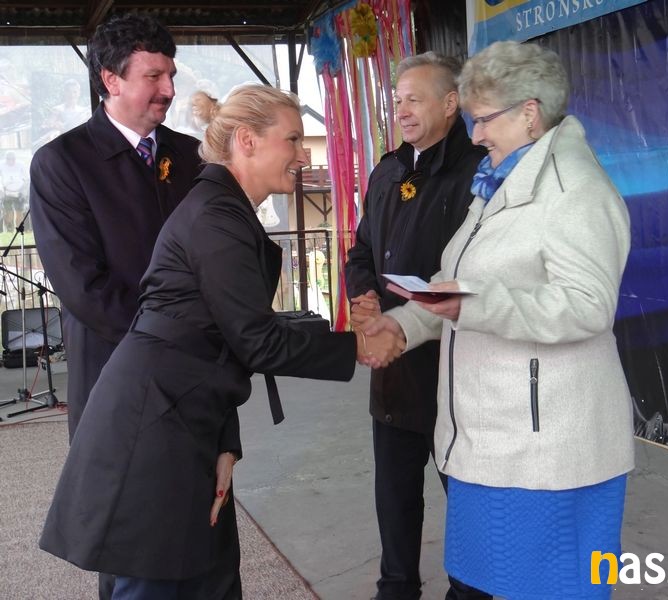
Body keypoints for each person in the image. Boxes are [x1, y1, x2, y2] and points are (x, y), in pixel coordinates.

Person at [39, 84, 403, 600]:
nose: (303, 155)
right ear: (247, 140)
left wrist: (225, 440)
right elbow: (255, 340)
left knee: (208, 578)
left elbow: (227, 336)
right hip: (155, 428)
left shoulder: (224, 210)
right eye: (293, 139)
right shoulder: (215, 215)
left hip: (186, 417)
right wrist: (358, 346)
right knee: (161, 582)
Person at [367, 41, 635, 599]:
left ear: (529, 112)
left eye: (485, 119)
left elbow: (587, 305)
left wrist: (473, 306)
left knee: (552, 588)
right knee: (487, 583)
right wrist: (405, 324)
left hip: (546, 452)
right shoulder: (500, 182)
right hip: (491, 443)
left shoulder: (574, 190)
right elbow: (457, 284)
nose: (476, 135)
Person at [345, 52, 490, 600]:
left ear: (451, 104)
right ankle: (396, 588)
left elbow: (479, 270)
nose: (402, 110)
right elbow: (361, 249)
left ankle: (470, 592)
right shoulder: (388, 170)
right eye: (398, 99)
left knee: (468, 497)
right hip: (392, 359)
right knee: (395, 493)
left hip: (458, 364)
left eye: (415, 99)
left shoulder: (479, 173)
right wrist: (363, 297)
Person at [29, 13, 203, 443]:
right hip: (114, 370)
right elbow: (84, 287)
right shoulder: (62, 162)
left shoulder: (193, 156)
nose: (169, 90)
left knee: (203, 480)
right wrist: (175, 332)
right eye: (154, 76)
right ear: (112, 80)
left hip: (197, 371)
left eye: (171, 75)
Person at [0, 151, 27, 233]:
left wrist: (24, 190)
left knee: (19, 212)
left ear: (15, 159)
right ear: (6, 159)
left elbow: (26, 178)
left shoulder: (21, 164)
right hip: (6, 192)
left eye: (13, 159)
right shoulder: (1, 165)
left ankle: (19, 231)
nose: (11, 161)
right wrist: (1, 190)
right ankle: (9, 230)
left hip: (19, 192)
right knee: (8, 212)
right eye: (9, 159)